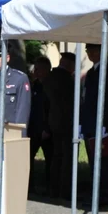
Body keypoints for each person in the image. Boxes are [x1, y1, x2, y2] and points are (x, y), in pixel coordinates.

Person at [81, 43, 108, 209]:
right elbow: (87, 100)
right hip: (91, 124)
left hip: (103, 124)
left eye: (93, 50)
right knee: (94, 164)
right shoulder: (91, 72)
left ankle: (107, 197)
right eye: (88, 50)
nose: (90, 53)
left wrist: (103, 123)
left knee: (105, 164)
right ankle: (97, 195)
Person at [44, 52, 76, 200]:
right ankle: (64, 191)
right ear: (70, 65)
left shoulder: (50, 77)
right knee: (65, 158)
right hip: (66, 123)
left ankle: (53, 188)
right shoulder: (67, 80)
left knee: (56, 156)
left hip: (53, 121)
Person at [29, 56, 52, 188]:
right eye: (35, 68)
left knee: (50, 159)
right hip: (34, 128)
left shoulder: (51, 85)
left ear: (46, 69)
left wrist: (47, 129)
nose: (35, 71)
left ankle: (49, 186)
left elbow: (51, 108)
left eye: (38, 69)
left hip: (47, 129)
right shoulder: (35, 85)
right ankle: (30, 186)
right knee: (28, 157)